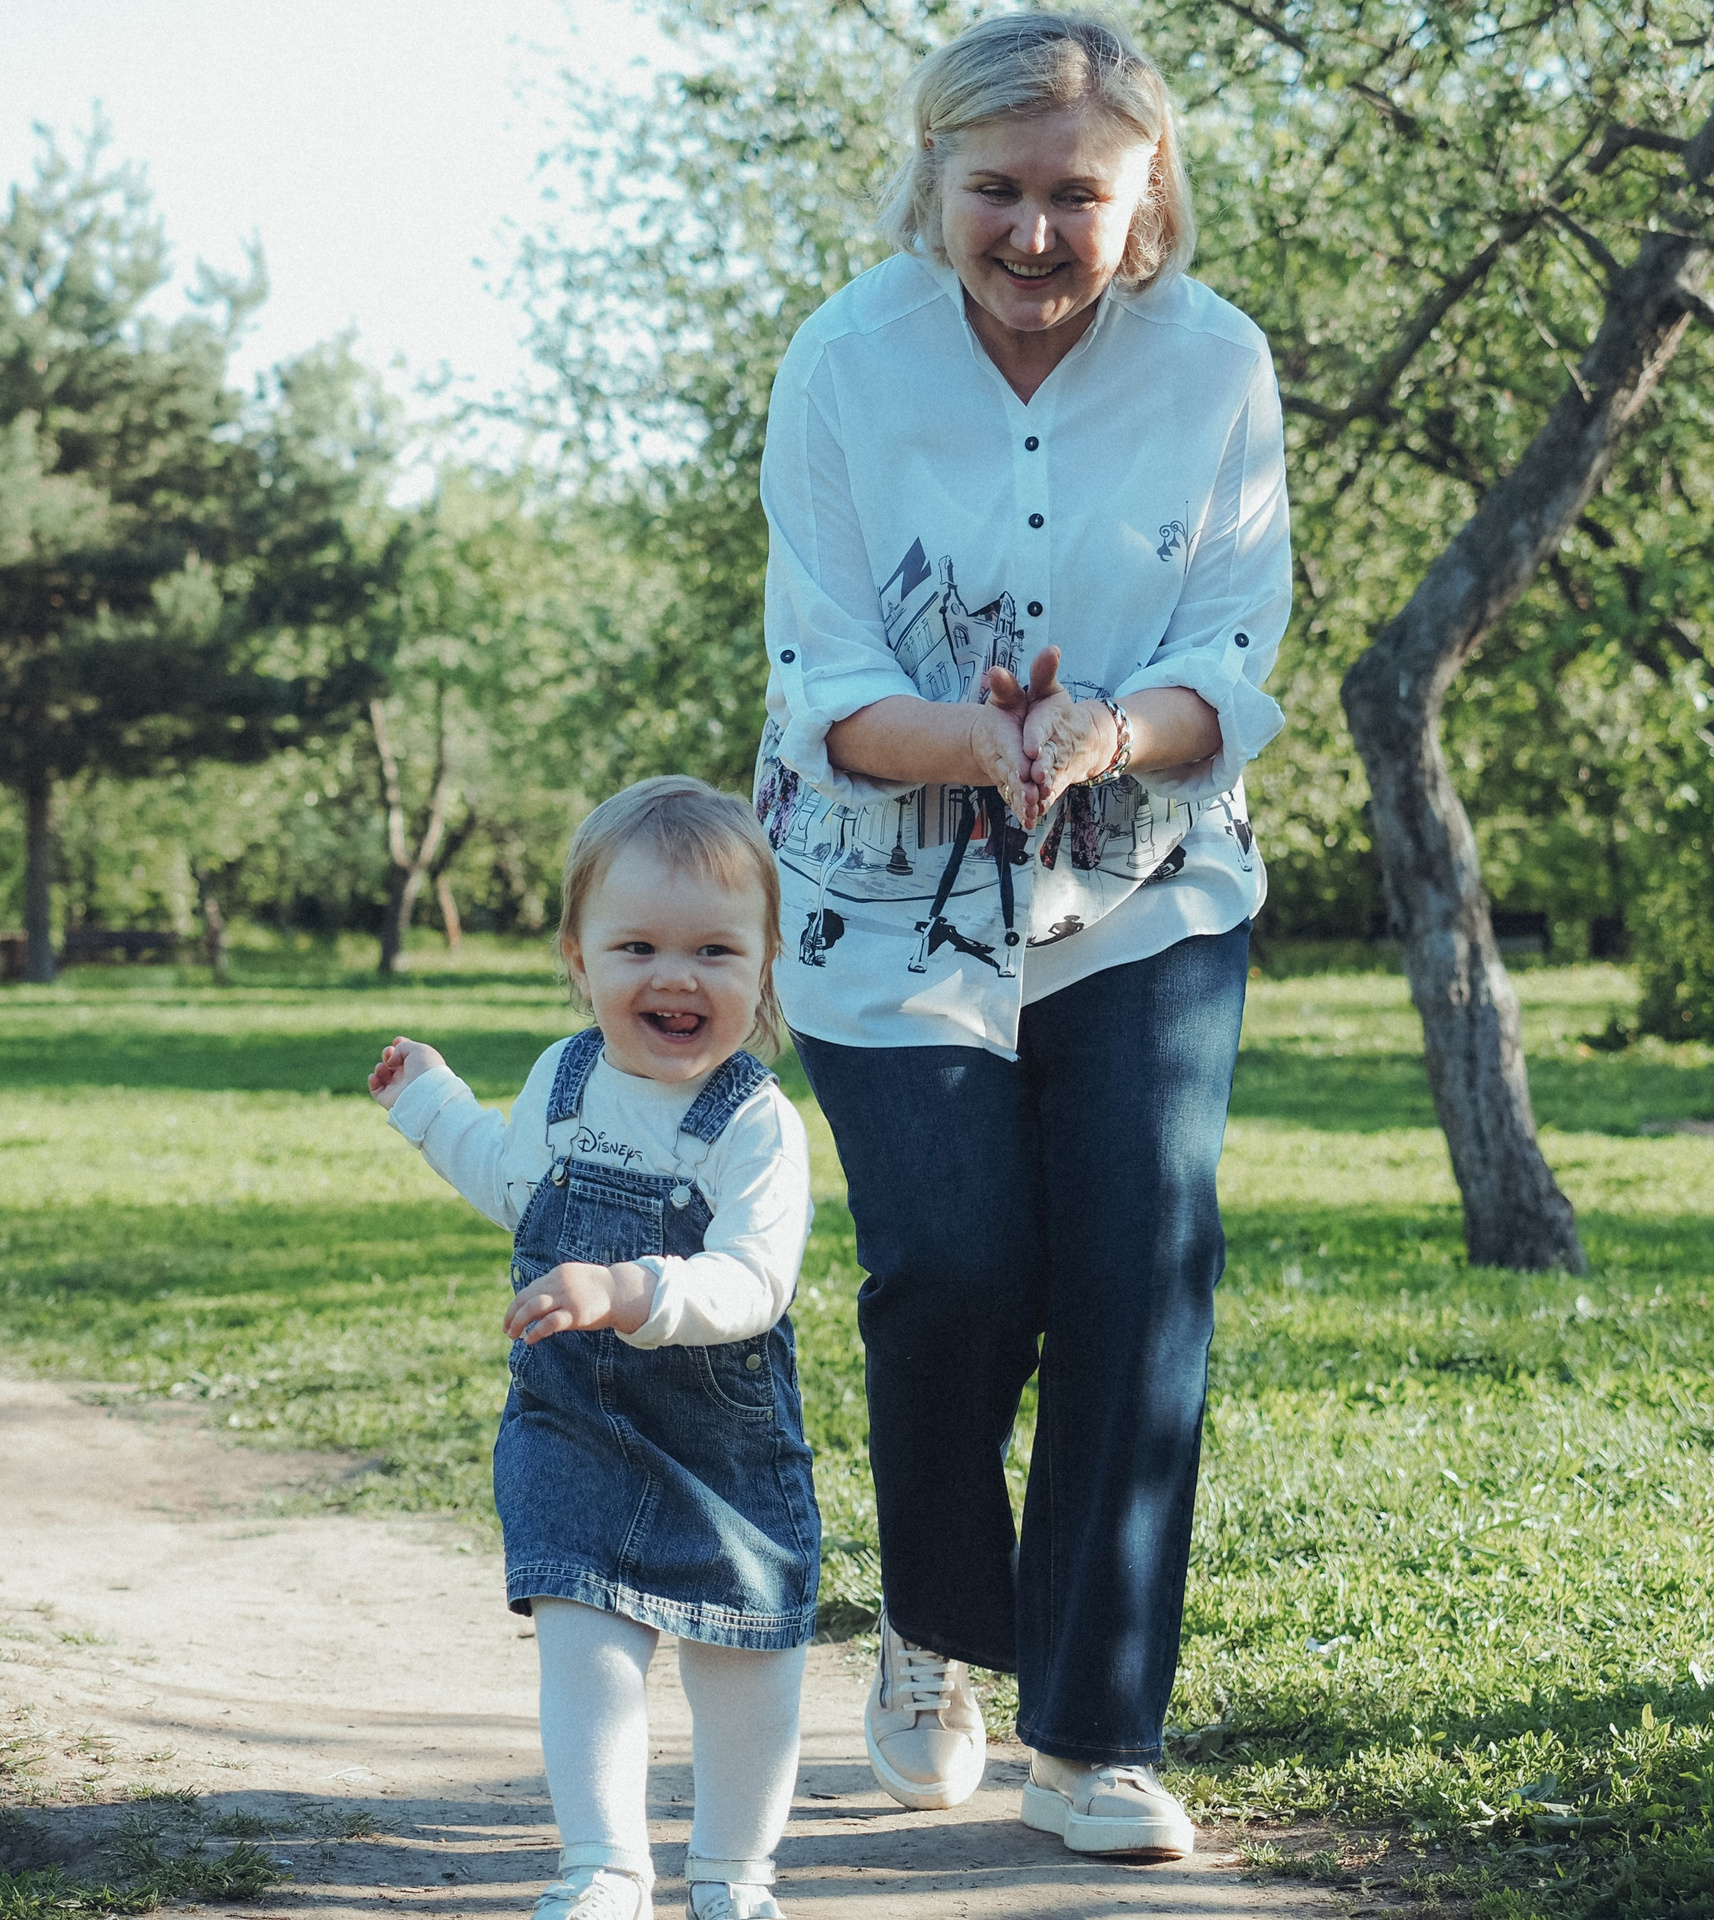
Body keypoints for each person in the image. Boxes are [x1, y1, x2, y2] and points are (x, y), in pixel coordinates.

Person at [752, 9, 1290, 1860]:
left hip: (1147, 884)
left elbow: (1232, 645)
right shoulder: (844, 359)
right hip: (887, 886)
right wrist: (976, 739)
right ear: (936, 182)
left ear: (1147, 197)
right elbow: (821, 662)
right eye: (1001, 190)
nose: (1040, 233)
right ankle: (938, 1626)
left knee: (1143, 1276)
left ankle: (1097, 1737)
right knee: (960, 1269)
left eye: (1082, 194)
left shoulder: (1218, 363)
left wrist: (1102, 731)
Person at [369, 776, 822, 1920]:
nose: (675, 977)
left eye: (716, 950)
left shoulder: (754, 1121)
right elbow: (519, 1189)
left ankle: (731, 1872)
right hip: (572, 1425)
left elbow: (754, 1282)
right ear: (578, 959)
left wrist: (626, 1288)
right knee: (582, 1634)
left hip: (716, 1439)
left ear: (767, 963)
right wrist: (432, 1107)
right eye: (638, 947)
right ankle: (604, 1865)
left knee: (744, 1648)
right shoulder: (562, 1082)